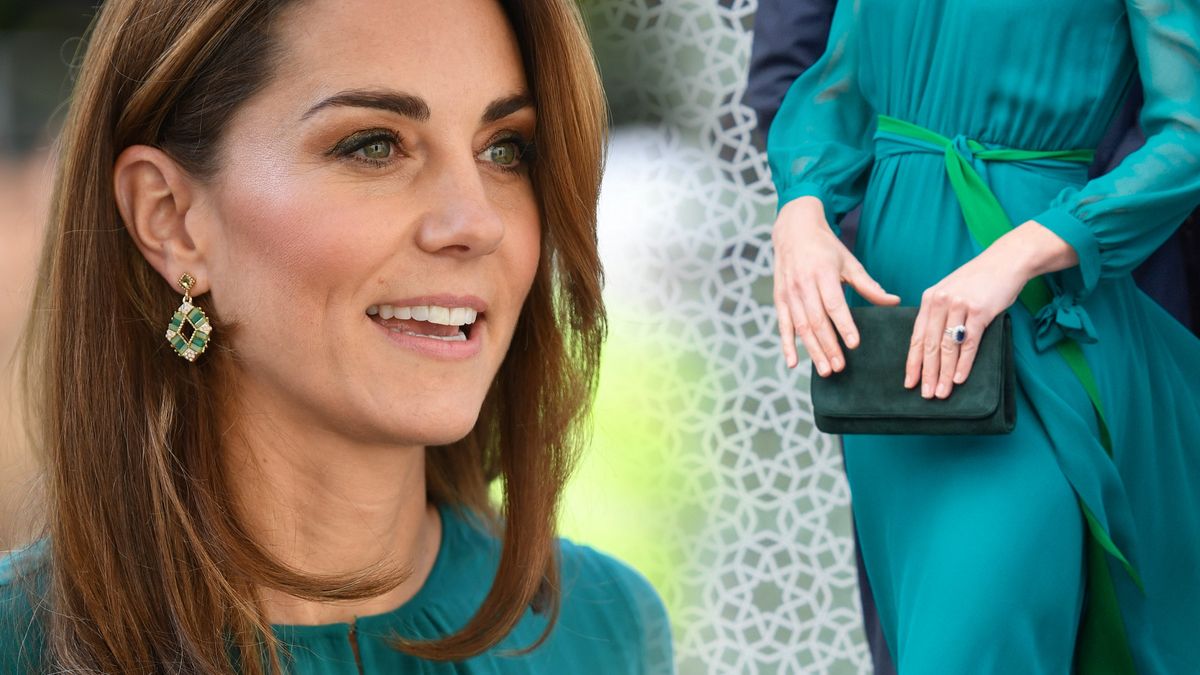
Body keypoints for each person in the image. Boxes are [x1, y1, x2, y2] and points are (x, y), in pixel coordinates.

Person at [0, 0, 673, 673]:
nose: (477, 222)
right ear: (170, 218)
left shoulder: (604, 628)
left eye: (505, 150)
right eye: (374, 145)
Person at [766, 0, 1200, 672]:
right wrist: (801, 207)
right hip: (894, 357)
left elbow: (1190, 136)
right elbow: (840, 91)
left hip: (1033, 327)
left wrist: (1022, 252)